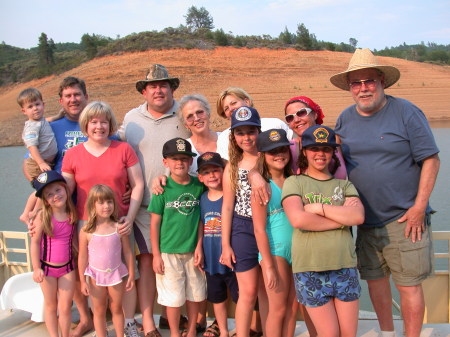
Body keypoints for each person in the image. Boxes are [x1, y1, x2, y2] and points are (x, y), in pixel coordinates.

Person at [330, 48, 440, 337]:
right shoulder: (344, 119)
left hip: (404, 219)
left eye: (369, 81)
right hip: (364, 221)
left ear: (382, 81)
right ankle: (387, 333)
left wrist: (418, 208)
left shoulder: (406, 112)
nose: (363, 88)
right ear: (350, 88)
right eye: (356, 83)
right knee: (375, 283)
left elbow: (431, 159)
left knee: (408, 285)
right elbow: (333, 161)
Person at [119, 64, 191, 335]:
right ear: (144, 91)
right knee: (148, 261)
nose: (158, 90)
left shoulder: (185, 113)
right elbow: (119, 154)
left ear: (172, 88)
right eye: (152, 86)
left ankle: (173, 315)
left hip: (182, 203)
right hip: (146, 206)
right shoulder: (132, 119)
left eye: (164, 85)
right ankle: (148, 321)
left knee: (181, 259)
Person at [62, 101, 144, 337]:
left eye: (104, 121)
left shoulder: (123, 149)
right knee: (92, 271)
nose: (99, 126)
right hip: (87, 226)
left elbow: (138, 184)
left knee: (127, 274)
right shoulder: (73, 154)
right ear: (86, 125)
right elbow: (64, 191)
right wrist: (38, 211)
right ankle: (98, 324)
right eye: (94, 122)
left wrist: (129, 217)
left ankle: (128, 323)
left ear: (111, 124)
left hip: (120, 224)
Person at [282, 125, 365, 337]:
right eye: (314, 148)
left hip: (345, 266)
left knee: (348, 334)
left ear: (333, 153)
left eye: (327, 149)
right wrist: (340, 219)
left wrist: (319, 209)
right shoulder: (294, 182)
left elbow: (357, 217)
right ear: (305, 152)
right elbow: (298, 219)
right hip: (310, 269)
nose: (320, 154)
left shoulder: (344, 185)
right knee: (329, 334)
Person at [149, 137, 206, 337]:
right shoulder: (161, 189)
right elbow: (155, 224)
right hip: (168, 252)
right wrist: (156, 255)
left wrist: (199, 246)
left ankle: (191, 330)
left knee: (194, 294)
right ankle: (174, 333)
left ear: (191, 161)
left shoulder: (199, 187)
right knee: (172, 298)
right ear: (166, 162)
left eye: (184, 158)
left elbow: (201, 220)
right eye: (174, 159)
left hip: (193, 252)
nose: (180, 162)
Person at [220, 106, 264, 337]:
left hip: (270, 228)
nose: (246, 137)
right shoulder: (232, 167)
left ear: (259, 131)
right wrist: (225, 244)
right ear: (233, 136)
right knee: (248, 292)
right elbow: (227, 207)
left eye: (251, 131)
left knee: (268, 290)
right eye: (240, 133)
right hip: (243, 229)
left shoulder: (271, 157)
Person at [252, 129, 297, 337]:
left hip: (298, 250)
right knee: (278, 309)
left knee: (292, 308)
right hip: (275, 251)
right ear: (262, 155)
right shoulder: (261, 186)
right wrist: (268, 265)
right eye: (272, 152)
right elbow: (259, 228)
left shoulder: (294, 180)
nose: (279, 155)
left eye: (282, 150)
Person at [78, 184, 135, 337]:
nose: (106, 206)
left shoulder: (119, 227)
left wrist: (130, 275)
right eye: (101, 203)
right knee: (98, 310)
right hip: (95, 276)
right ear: (92, 205)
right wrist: (83, 281)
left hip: (116, 275)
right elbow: (82, 257)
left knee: (116, 308)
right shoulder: (86, 231)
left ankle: (119, 334)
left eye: (109, 202)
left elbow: (128, 252)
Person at [30, 171, 77, 337]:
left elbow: (74, 242)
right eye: (49, 194)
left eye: (58, 190)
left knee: (65, 307)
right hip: (47, 269)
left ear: (65, 188)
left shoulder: (72, 214)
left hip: (68, 268)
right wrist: (36, 268)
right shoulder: (43, 216)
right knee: (51, 305)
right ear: (45, 200)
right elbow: (35, 243)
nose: (55, 196)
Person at [197, 152, 238, 337]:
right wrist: (199, 248)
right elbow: (201, 224)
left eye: (216, 170)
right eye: (206, 172)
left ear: (224, 171)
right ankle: (223, 331)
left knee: (241, 297)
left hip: (232, 258)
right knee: (217, 297)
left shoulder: (231, 195)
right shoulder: (203, 198)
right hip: (211, 259)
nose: (212, 175)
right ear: (200, 177)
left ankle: (246, 327)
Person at [215, 87, 293, 161]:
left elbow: (294, 146)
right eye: (226, 108)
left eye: (234, 103)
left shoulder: (274, 124)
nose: (231, 109)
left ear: (247, 101)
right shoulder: (224, 138)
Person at [18, 88, 58, 223]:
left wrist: (59, 116)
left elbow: (48, 119)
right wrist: (41, 162)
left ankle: (32, 212)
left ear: (43, 104)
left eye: (37, 104)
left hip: (45, 163)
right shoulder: (31, 127)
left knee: (43, 188)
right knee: (42, 189)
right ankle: (29, 213)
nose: (35, 108)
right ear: (24, 111)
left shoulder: (41, 121)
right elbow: (32, 146)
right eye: (30, 107)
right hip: (37, 164)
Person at [284, 96, 346, 179]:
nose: (296, 120)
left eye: (301, 113)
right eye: (290, 118)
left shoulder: (334, 140)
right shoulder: (288, 148)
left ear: (315, 115)